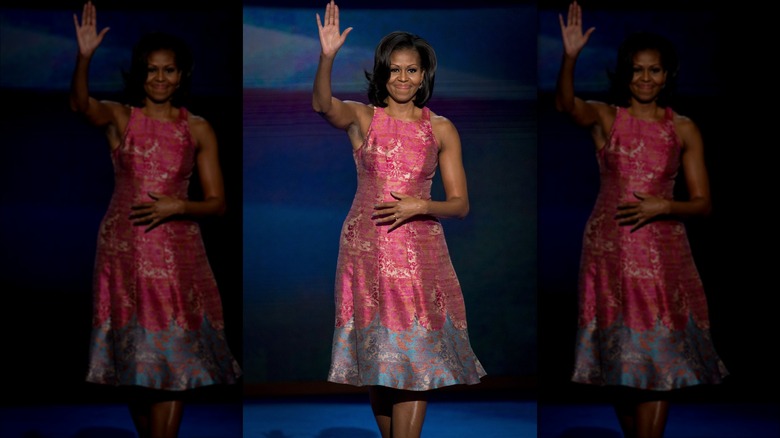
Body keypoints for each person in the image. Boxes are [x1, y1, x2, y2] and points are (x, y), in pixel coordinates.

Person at [555, 2, 728, 437]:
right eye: (637, 70)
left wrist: (663, 206)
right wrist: (570, 56)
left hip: (661, 252)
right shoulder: (607, 116)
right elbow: (566, 106)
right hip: (609, 250)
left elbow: (704, 203)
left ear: (667, 75)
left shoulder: (683, 128)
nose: (645, 78)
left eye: (654, 70)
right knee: (620, 357)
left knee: (658, 355)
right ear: (625, 74)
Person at [313, 1, 486, 436]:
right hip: (365, 251)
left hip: (418, 254)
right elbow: (322, 106)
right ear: (381, 73)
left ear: (425, 75)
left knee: (415, 359)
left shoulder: (441, 128)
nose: (403, 78)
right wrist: (327, 56)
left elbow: (461, 204)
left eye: (412, 70)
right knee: (381, 361)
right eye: (394, 70)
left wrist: (420, 205)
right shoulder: (363, 117)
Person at [70, 3, 241, 437]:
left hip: (176, 253)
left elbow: (218, 203)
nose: (159, 79)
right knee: (135, 358)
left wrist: (178, 206)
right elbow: (80, 105)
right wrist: (85, 57)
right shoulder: (121, 117)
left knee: (174, 354)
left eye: (168, 70)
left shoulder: (197, 128)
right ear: (139, 75)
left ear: (182, 75)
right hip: (123, 250)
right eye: (151, 70)